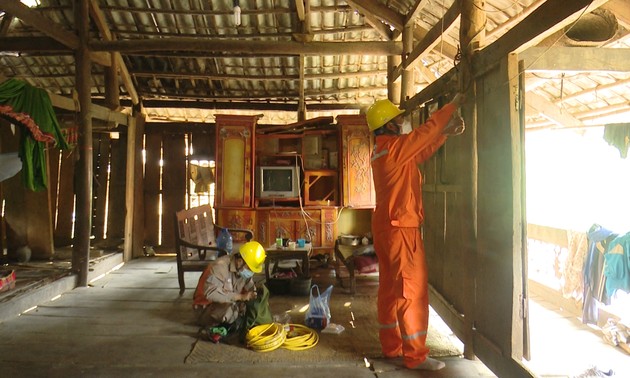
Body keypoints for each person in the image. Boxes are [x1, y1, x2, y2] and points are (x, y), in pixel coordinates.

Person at [366, 94, 465, 371]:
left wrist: (444, 134)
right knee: (412, 291)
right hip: (402, 231)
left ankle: (391, 347)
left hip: (387, 229)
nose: (402, 123)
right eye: (398, 120)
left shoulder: (386, 151)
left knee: (389, 289)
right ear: (389, 126)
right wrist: (452, 106)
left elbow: (420, 150)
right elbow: (425, 133)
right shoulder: (396, 149)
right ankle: (415, 356)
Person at [193, 241, 267, 331]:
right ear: (240, 261)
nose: (250, 273)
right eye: (249, 269)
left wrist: (255, 295)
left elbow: (250, 285)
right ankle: (223, 327)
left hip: (225, 304)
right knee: (231, 311)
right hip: (205, 308)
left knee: (249, 307)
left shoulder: (241, 269)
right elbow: (210, 293)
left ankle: (231, 321)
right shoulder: (219, 267)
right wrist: (240, 297)